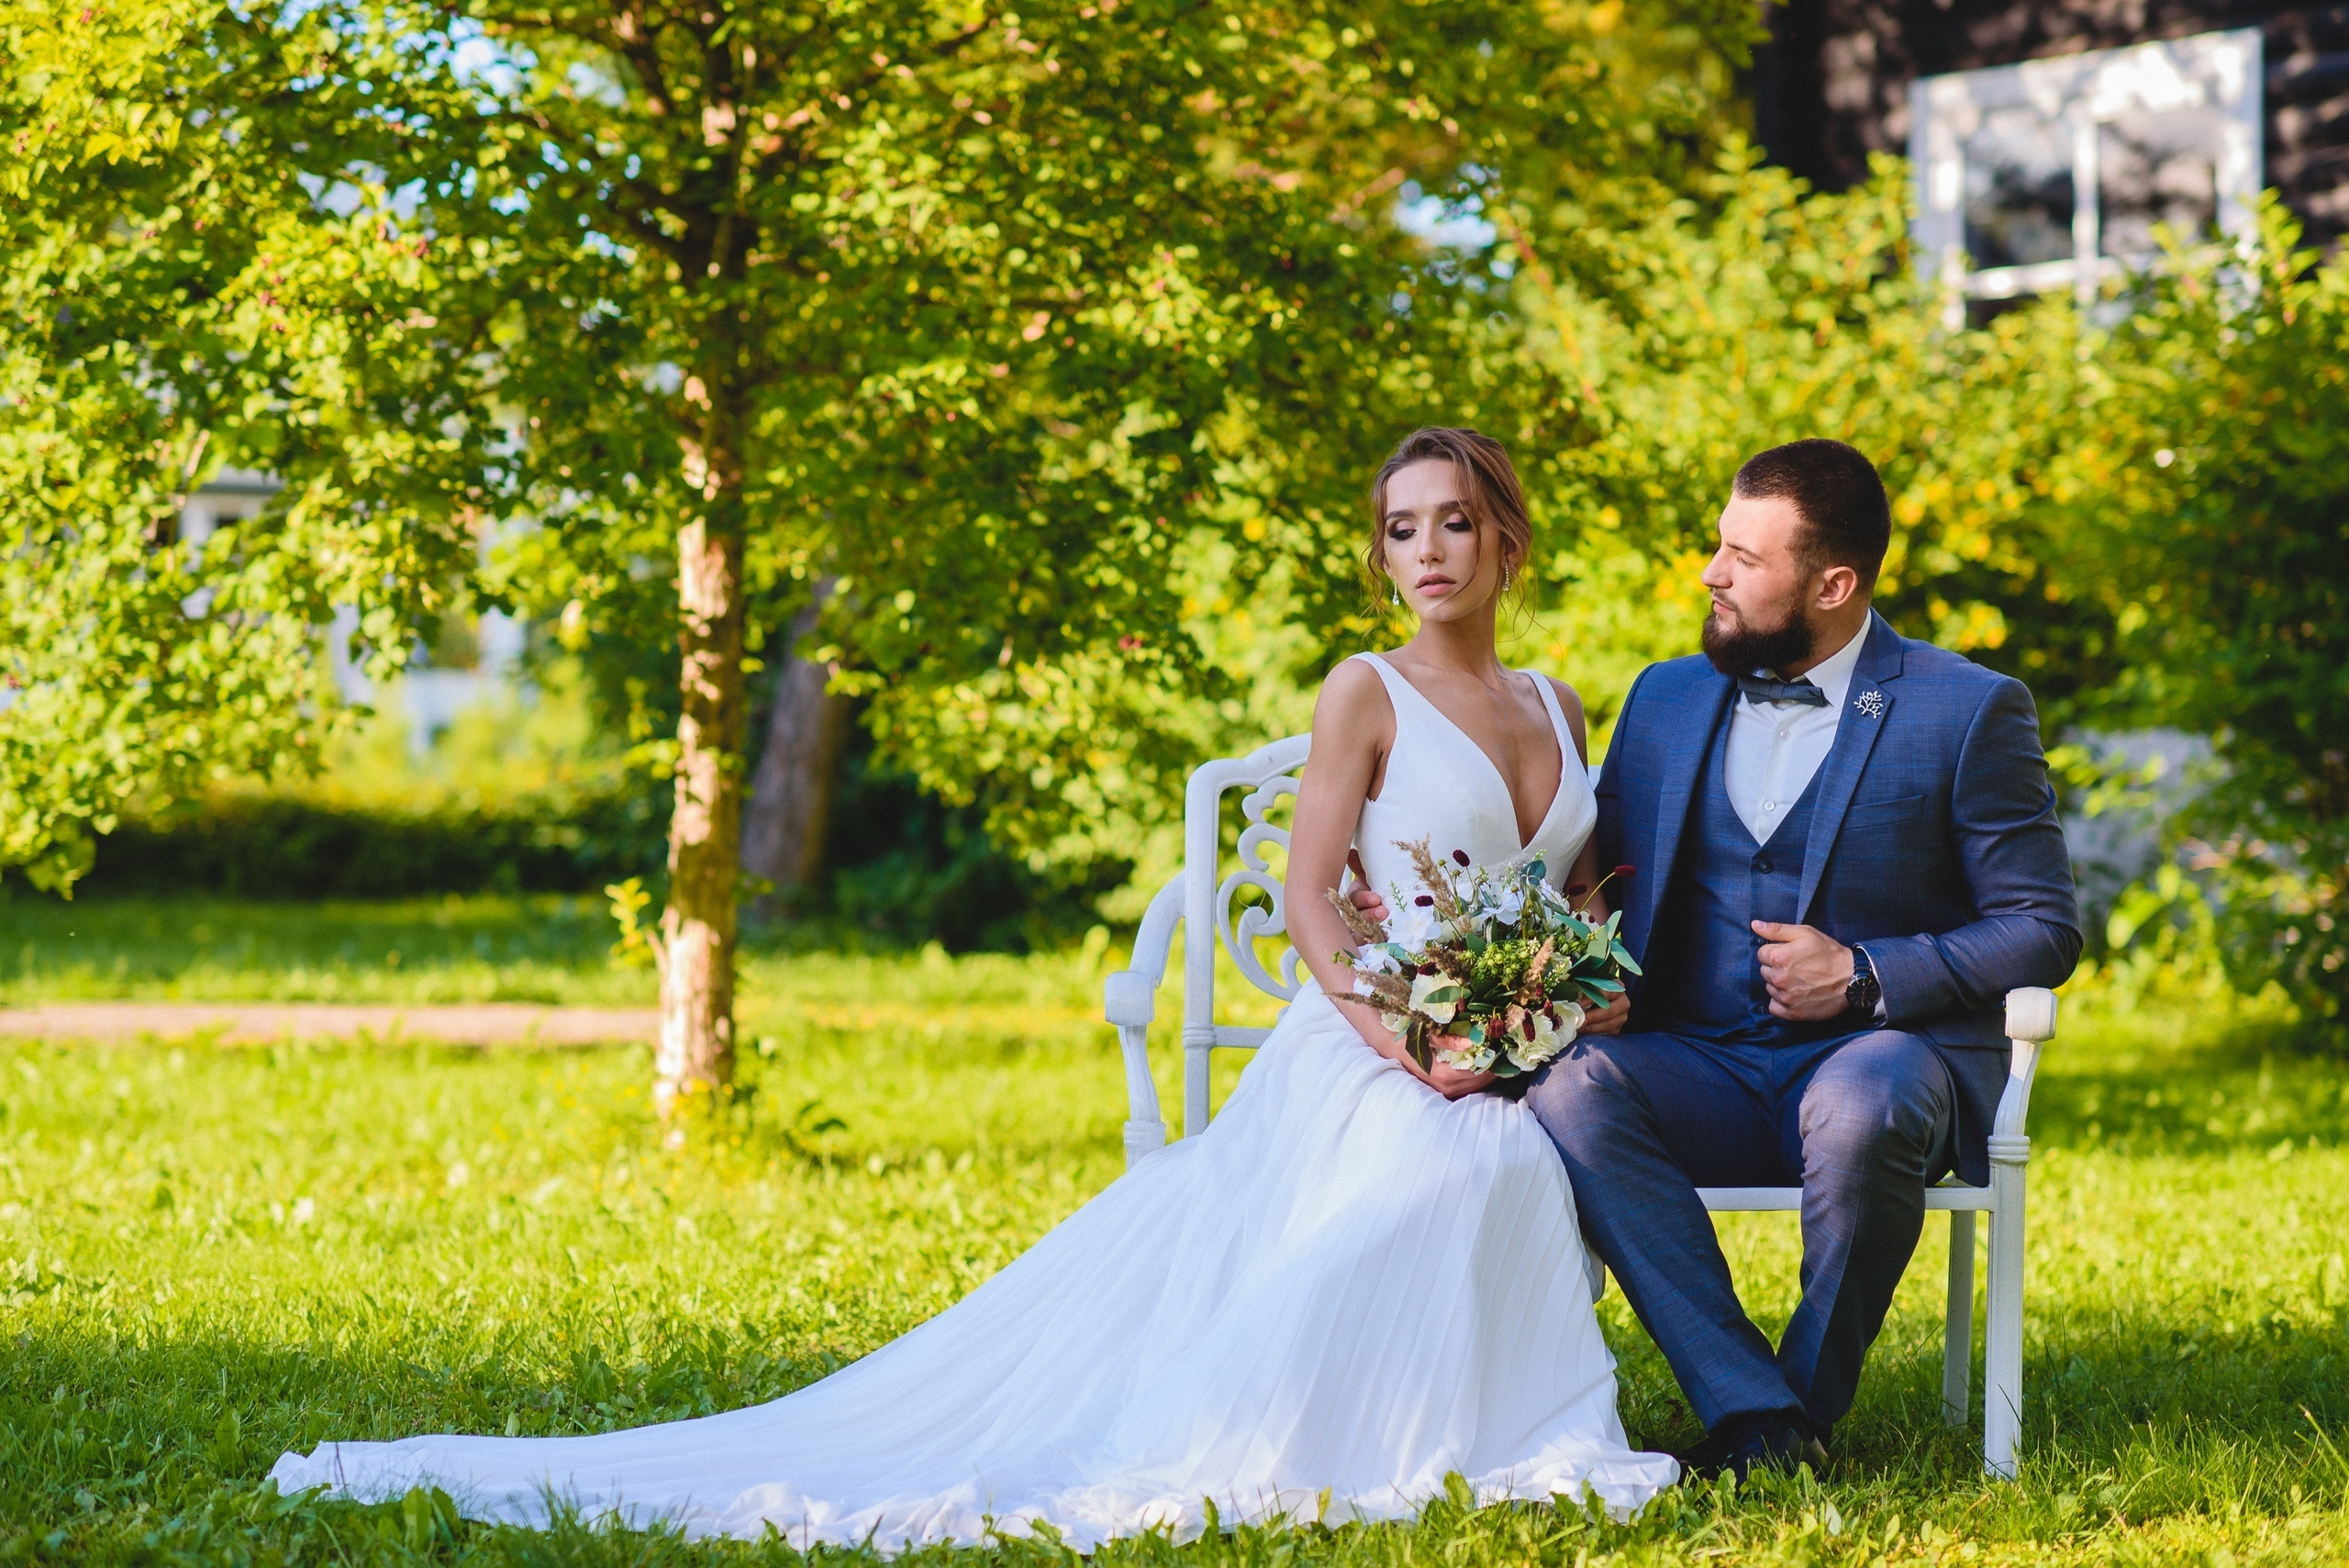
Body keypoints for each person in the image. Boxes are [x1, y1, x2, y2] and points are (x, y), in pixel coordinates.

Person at [267, 428, 1676, 1547]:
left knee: (1520, 1157)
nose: (1426, 549)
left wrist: (1575, 993)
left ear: (1506, 536)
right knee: (1456, 1173)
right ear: (1380, 555)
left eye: (1451, 521)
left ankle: (1474, 1423)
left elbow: (1565, 902)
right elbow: (1313, 897)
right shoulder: (1362, 689)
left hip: (1507, 1041)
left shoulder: (1558, 702)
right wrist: (1401, 1038)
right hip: (1375, 1043)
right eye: (1399, 526)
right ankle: (1326, 1427)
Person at [1521, 439, 2080, 1481]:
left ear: (1833, 583)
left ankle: (1798, 1405)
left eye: (1743, 555)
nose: (1710, 571)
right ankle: (1752, 1408)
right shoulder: (1666, 695)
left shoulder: (1965, 708)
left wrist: (1864, 972)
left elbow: (2043, 925)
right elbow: (1604, 879)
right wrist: (1582, 973)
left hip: (1877, 1056)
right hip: (1697, 1060)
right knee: (1572, 1086)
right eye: (1717, 544)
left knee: (1867, 1100)